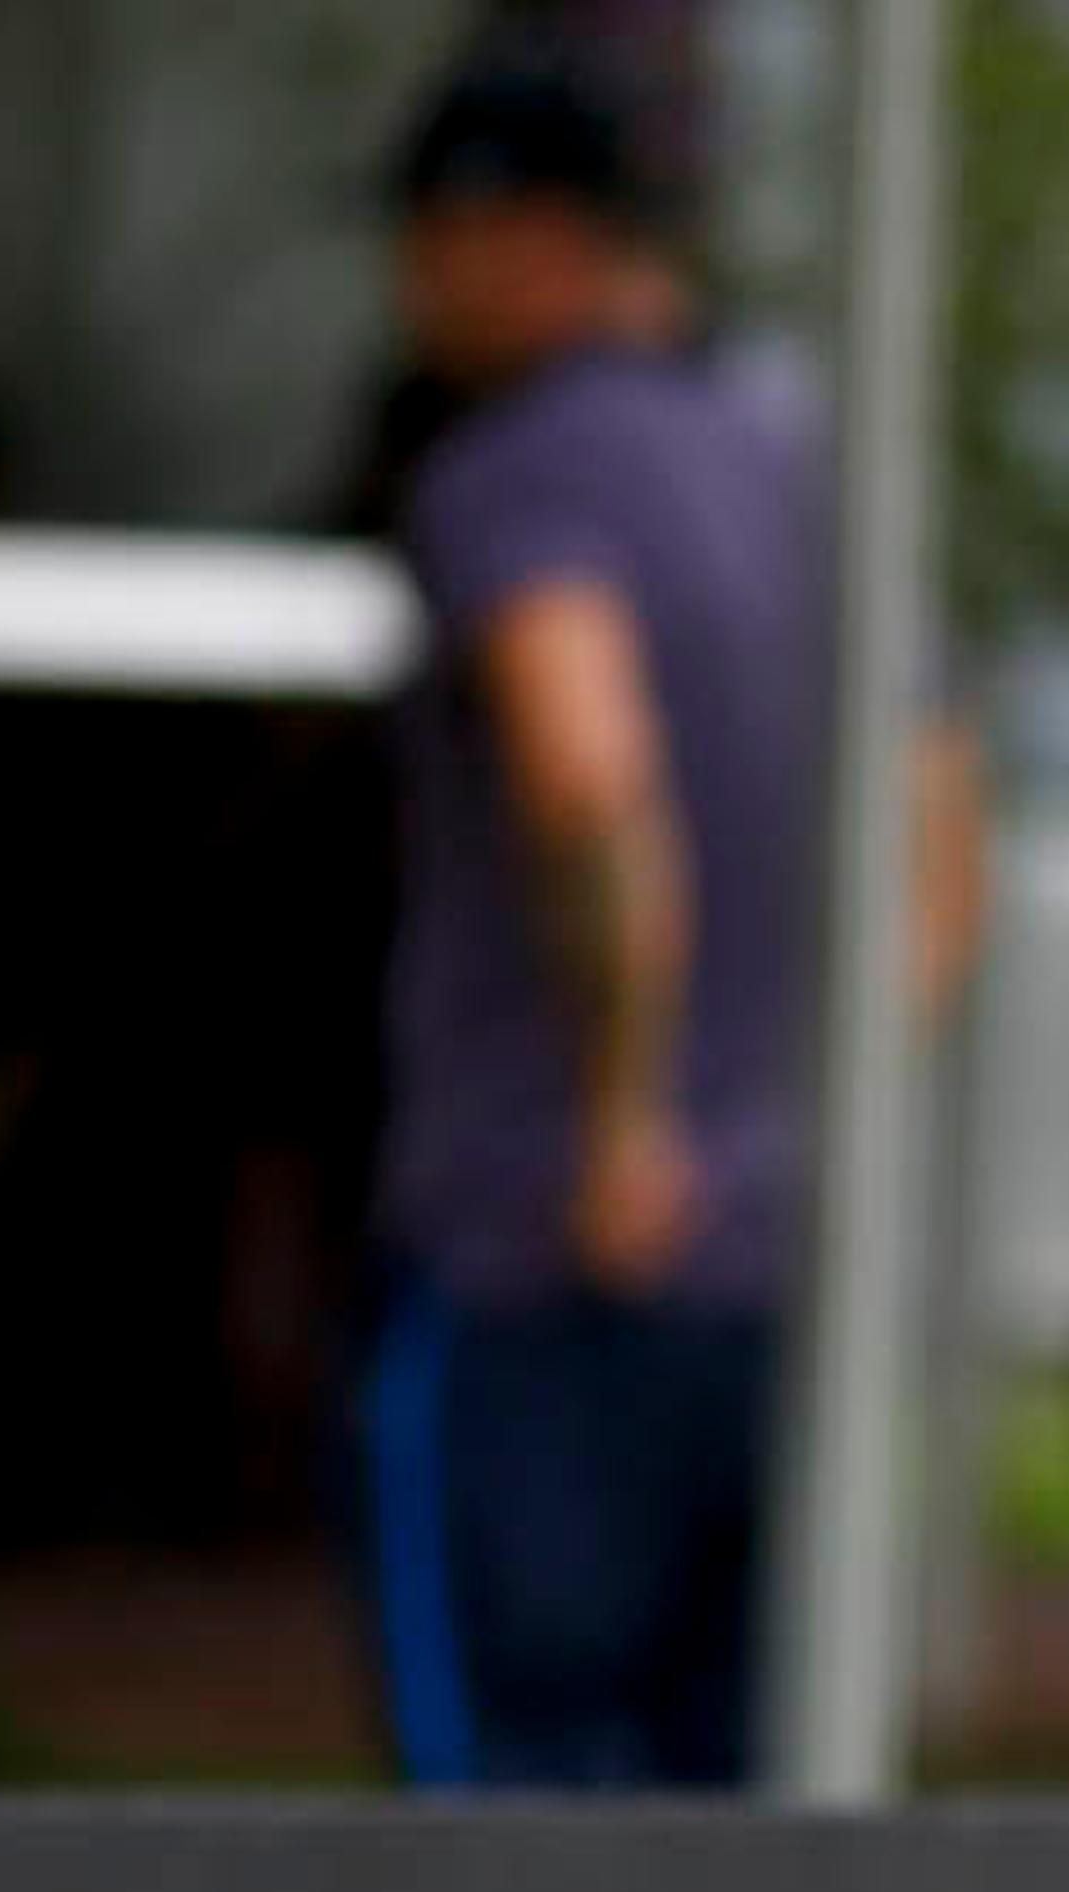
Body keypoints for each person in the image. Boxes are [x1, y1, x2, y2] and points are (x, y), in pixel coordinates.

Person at [359, 37, 827, 1787]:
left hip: (541, 1247)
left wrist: (625, 1118)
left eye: (420, 236)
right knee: (721, 1831)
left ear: (518, 232)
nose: (404, 287)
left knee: (513, 1824)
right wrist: (788, 1115)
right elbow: (941, 815)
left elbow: (586, 776)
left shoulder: (518, 475)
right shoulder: (793, 464)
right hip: (765, 1258)